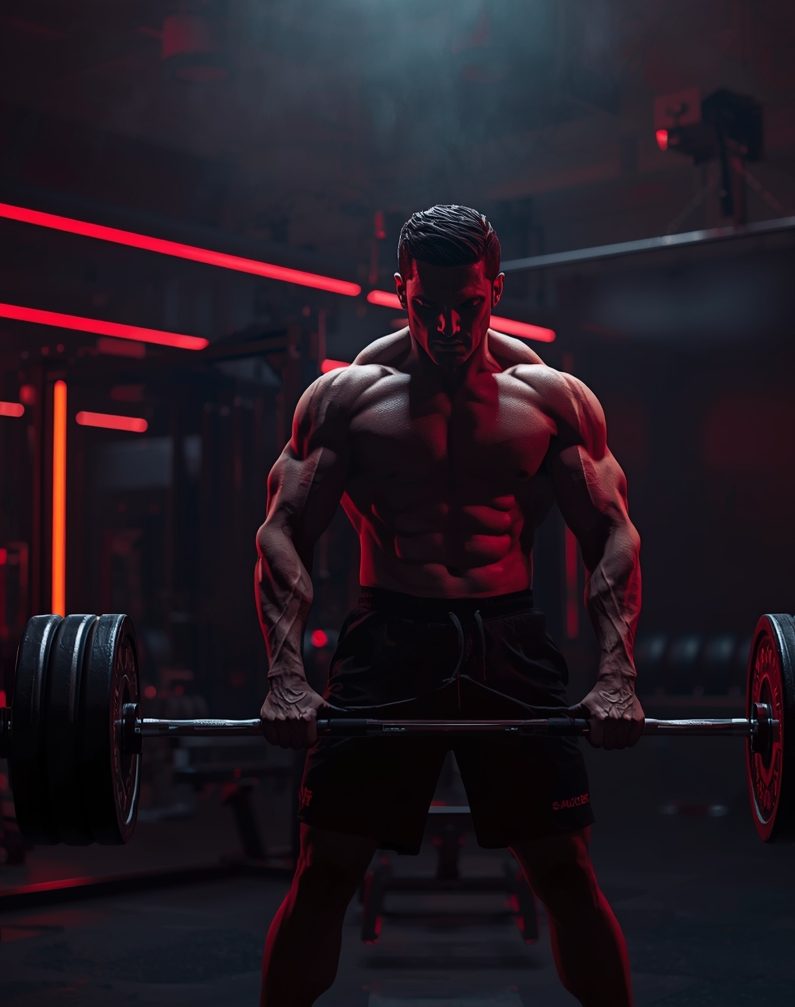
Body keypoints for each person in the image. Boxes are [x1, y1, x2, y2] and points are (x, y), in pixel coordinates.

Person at [255, 204, 643, 1007]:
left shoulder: (550, 401)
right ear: (399, 290)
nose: (446, 324)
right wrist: (285, 674)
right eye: (425, 305)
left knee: (566, 870)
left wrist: (618, 673)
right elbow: (281, 534)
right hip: (389, 636)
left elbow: (614, 538)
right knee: (325, 870)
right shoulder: (348, 400)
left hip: (509, 638)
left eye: (466, 305)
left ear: (494, 289)